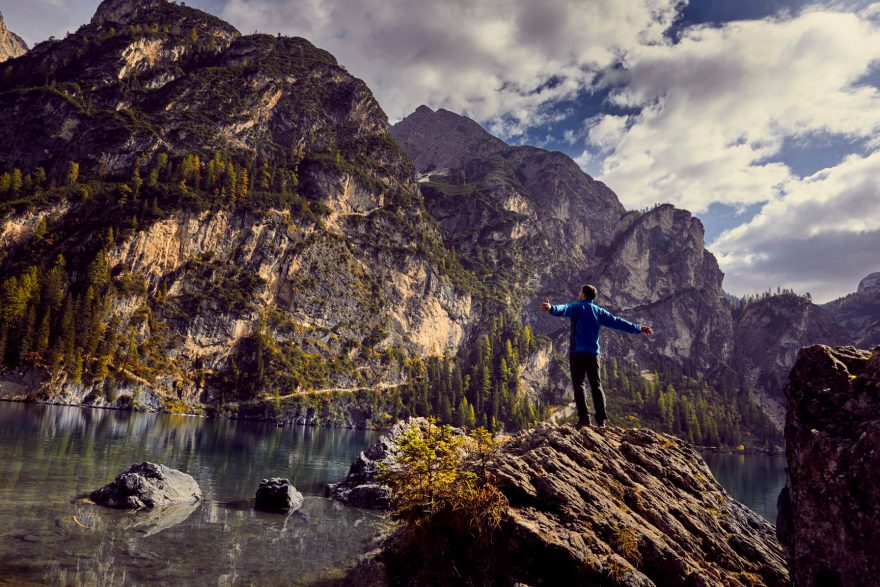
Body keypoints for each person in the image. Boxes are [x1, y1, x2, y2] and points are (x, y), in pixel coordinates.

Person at [541, 284, 653, 428]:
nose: (579, 293)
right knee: (596, 385)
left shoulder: (578, 307)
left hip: (577, 352)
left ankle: (584, 420)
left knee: (579, 384)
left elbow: (564, 309)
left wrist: (551, 308)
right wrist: (638, 328)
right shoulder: (599, 311)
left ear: (583, 295)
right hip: (593, 354)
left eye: (580, 291)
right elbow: (617, 322)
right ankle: (601, 421)